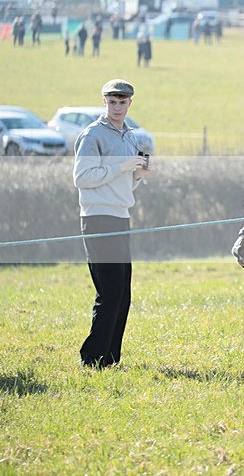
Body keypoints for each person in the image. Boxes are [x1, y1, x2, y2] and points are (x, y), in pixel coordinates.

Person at [73, 79, 152, 368]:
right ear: (104, 102)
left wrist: (138, 174)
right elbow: (82, 178)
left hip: (122, 218)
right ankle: (91, 359)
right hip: (97, 218)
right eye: (112, 102)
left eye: (122, 102)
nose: (117, 107)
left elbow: (126, 187)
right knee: (109, 293)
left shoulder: (130, 136)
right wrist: (121, 166)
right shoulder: (92, 135)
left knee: (123, 294)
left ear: (130, 103)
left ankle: (110, 359)